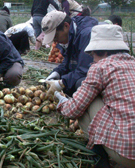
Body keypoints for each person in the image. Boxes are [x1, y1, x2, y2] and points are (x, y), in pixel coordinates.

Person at [54, 24, 135, 168]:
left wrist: (62, 101)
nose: (92, 60)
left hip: (129, 155)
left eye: (93, 55)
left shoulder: (100, 67)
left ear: (102, 52)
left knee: (86, 102)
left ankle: (100, 160)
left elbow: (72, 110)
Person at [44, 10, 98, 97]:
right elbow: (68, 62)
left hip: (98, 78)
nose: (55, 41)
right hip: (83, 72)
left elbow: (85, 70)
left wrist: (62, 83)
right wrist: (57, 73)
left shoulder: (86, 35)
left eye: (55, 36)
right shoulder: (71, 35)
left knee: (80, 83)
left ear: (66, 26)